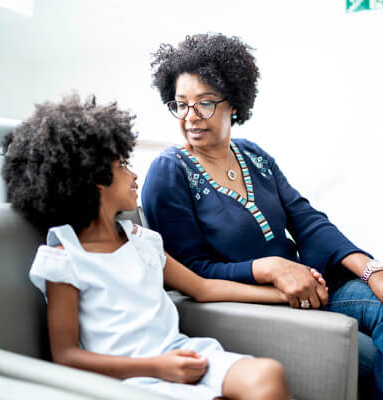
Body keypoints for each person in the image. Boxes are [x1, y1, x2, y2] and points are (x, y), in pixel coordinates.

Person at [1, 94, 292, 400]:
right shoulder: (65, 260)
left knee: (267, 374)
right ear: (94, 178)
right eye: (123, 164)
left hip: (181, 354)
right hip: (131, 379)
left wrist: (282, 295)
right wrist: (157, 367)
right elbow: (67, 356)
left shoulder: (142, 241)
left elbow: (204, 288)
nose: (134, 173)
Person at [141, 33, 383, 399]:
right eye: (181, 104)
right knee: (366, 354)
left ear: (234, 104)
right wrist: (269, 268)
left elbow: (305, 218)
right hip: (253, 307)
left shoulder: (253, 155)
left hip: (307, 289)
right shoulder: (168, 172)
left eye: (205, 103)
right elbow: (188, 271)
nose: (191, 117)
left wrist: (369, 268)